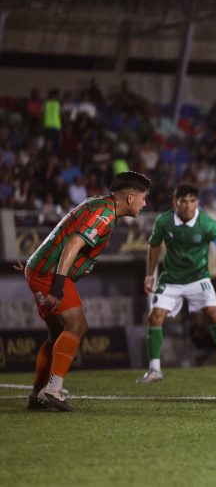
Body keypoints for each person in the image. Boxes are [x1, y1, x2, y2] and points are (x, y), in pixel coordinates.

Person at [23, 171, 151, 411]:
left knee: (57, 335)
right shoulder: (104, 214)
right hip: (49, 273)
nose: (145, 204)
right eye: (144, 198)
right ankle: (52, 389)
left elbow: (64, 235)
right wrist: (57, 287)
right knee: (77, 325)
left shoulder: (100, 204)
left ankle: (36, 395)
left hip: (42, 268)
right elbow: (73, 244)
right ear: (130, 197)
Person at [137, 183, 216, 383]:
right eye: (183, 201)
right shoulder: (164, 221)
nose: (188, 205)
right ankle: (154, 369)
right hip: (171, 279)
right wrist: (150, 275)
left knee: (213, 314)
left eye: (192, 201)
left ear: (197, 202)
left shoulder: (207, 223)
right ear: (175, 202)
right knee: (155, 316)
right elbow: (154, 245)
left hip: (198, 278)